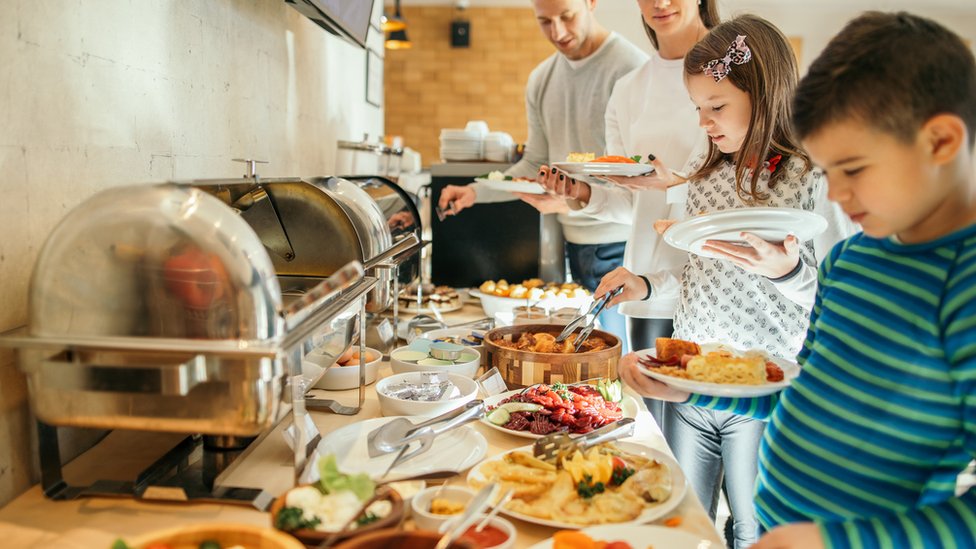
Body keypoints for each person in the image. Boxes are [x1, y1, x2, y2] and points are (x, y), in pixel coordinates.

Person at [622, 11, 976, 549]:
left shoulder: (963, 284)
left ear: (942, 141)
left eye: (852, 170)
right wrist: (693, 386)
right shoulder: (848, 264)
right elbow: (798, 393)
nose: (832, 196)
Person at [602, 14, 854, 547]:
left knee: (752, 531)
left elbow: (841, 294)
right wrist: (646, 286)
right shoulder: (705, 172)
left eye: (716, 108)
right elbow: (696, 274)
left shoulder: (813, 178)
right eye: (698, 108)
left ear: (765, 97)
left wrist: (787, 272)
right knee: (685, 523)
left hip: (765, 390)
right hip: (693, 384)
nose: (704, 123)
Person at [538, 0, 719, 432]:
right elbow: (632, 204)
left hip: (717, 287)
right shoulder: (630, 88)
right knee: (658, 442)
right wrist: (581, 194)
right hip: (649, 289)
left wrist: (674, 185)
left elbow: (743, 193)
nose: (659, 3)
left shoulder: (733, 74)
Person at [437, 0, 647, 351]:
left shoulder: (631, 69)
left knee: (616, 360)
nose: (558, 32)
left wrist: (567, 204)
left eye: (567, 17)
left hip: (623, 244)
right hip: (574, 245)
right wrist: (477, 191)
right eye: (545, 21)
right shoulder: (541, 79)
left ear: (591, 3)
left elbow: (638, 176)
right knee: (583, 356)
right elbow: (535, 164)